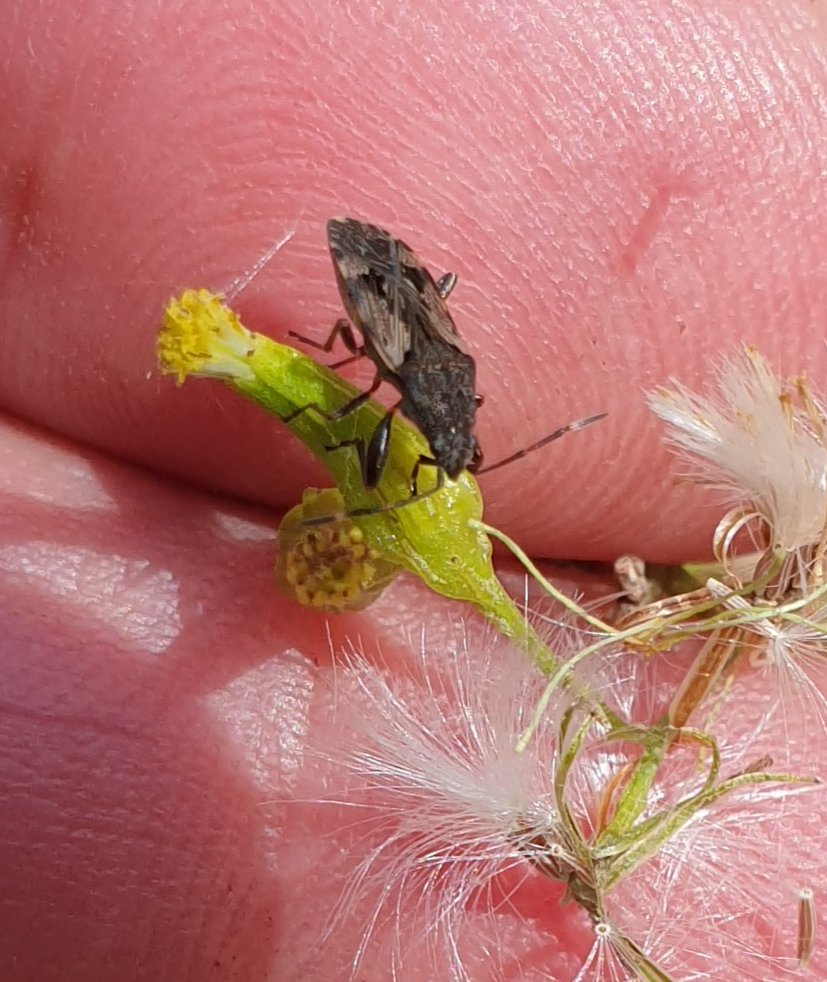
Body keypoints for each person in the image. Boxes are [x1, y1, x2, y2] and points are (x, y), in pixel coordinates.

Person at [1, 1, 824, 978]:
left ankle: (273, 360)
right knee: (367, 362)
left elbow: (426, 402)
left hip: (403, 332)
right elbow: (420, 395)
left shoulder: (438, 416)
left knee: (385, 366)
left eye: (450, 458)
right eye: (445, 459)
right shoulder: (430, 410)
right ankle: (272, 360)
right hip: (391, 307)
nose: (444, 462)